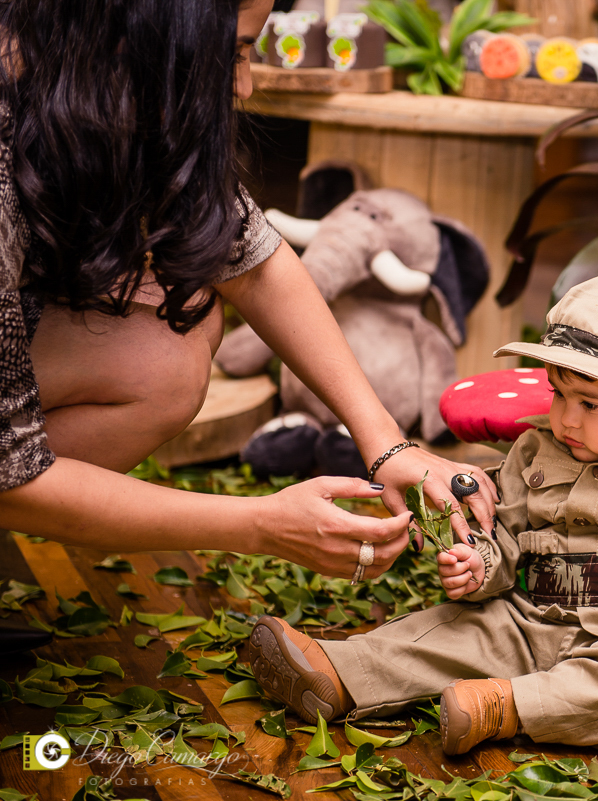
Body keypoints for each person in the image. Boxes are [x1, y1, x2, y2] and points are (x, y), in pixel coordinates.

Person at [0, 0, 496, 580]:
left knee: (168, 347)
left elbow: (255, 262)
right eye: (233, 50)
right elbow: (9, 470)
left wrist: (388, 444)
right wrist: (262, 525)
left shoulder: (99, 89)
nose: (244, 83)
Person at [247, 268, 598, 754]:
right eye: (559, 393)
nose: (566, 418)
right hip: (526, 618)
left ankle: (502, 706)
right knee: (444, 633)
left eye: (589, 403)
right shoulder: (535, 450)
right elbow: (503, 530)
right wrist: (480, 565)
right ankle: (339, 674)